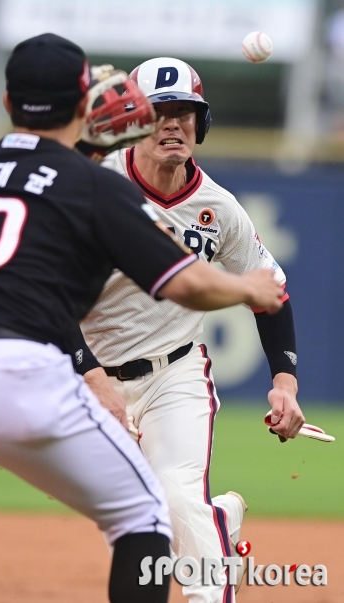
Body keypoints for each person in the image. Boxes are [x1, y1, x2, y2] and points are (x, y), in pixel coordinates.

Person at [0, 35, 284, 603]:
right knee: (146, 515)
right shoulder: (93, 184)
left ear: (6, 100)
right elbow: (182, 281)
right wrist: (248, 286)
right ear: (81, 104)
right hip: (14, 368)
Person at [78, 57, 306, 602]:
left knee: (175, 493)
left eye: (185, 113)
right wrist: (89, 374)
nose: (173, 124)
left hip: (173, 373)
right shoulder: (95, 186)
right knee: (140, 514)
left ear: (201, 125)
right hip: (88, 374)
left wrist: (286, 382)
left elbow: (270, 288)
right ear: (134, 121)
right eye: (159, 112)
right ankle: (219, 522)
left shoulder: (219, 208)